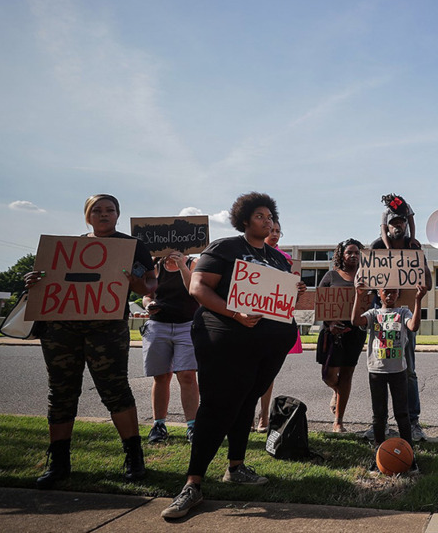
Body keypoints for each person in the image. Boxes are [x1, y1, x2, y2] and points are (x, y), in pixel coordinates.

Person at [162, 193, 306, 520]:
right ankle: (192, 484)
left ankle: (236, 467)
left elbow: (279, 303)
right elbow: (198, 287)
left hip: (268, 344)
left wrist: (293, 293)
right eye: (259, 215)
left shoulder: (279, 259)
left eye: (270, 216)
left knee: (245, 401)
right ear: (244, 220)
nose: (267, 221)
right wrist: (234, 313)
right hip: (225, 339)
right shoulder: (225, 248)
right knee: (217, 406)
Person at [25, 194, 157, 489]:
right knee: (60, 392)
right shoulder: (68, 249)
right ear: (87, 215)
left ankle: (133, 457)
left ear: (118, 215)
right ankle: (59, 462)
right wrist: (35, 280)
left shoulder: (132, 247)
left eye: (110, 210)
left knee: (115, 389)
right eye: (97, 210)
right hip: (61, 327)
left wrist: (132, 281)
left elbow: (149, 284)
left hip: (106, 328)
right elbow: (51, 279)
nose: (103, 214)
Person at [370, 203, 430, 442]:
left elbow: (428, 281)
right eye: (394, 222)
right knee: (377, 369)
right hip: (380, 318)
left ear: (406, 224)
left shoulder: (413, 247)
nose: (398, 226)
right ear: (388, 225)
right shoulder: (376, 246)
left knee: (409, 371)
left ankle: (413, 422)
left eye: (402, 222)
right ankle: (380, 423)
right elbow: (368, 279)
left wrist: (421, 264)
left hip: (404, 316)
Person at [350, 284, 427, 470]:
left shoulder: (403, 312)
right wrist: (358, 295)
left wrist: (418, 299)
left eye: (393, 291)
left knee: (402, 414)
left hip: (398, 371)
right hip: (376, 371)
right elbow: (355, 321)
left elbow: (414, 326)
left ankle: (409, 454)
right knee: (379, 415)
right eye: (386, 291)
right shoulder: (373, 313)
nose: (390, 294)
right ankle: (379, 454)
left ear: (399, 293)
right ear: (379, 293)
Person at [142, 251, 200, 444]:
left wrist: (182, 265)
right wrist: (149, 304)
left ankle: (193, 426)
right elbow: (146, 295)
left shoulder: (193, 263)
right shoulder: (155, 266)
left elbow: (195, 289)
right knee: (161, 376)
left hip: (186, 325)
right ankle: (159, 425)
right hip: (159, 325)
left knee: (187, 375)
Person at [315, 238, 368, 433]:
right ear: (342, 255)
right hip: (332, 332)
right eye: (349, 253)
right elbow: (319, 303)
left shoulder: (366, 276)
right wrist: (330, 323)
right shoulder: (330, 276)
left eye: (356, 253)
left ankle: (338, 421)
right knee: (328, 375)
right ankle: (336, 391)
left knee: (347, 375)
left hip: (354, 333)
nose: (353, 256)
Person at [255, 219, 300, 433]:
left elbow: (290, 295)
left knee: (267, 373)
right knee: (247, 372)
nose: (274, 234)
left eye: (278, 231)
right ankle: (245, 415)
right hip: (251, 320)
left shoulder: (286, 260)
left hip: (275, 321)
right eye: (271, 230)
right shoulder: (251, 257)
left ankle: (264, 418)